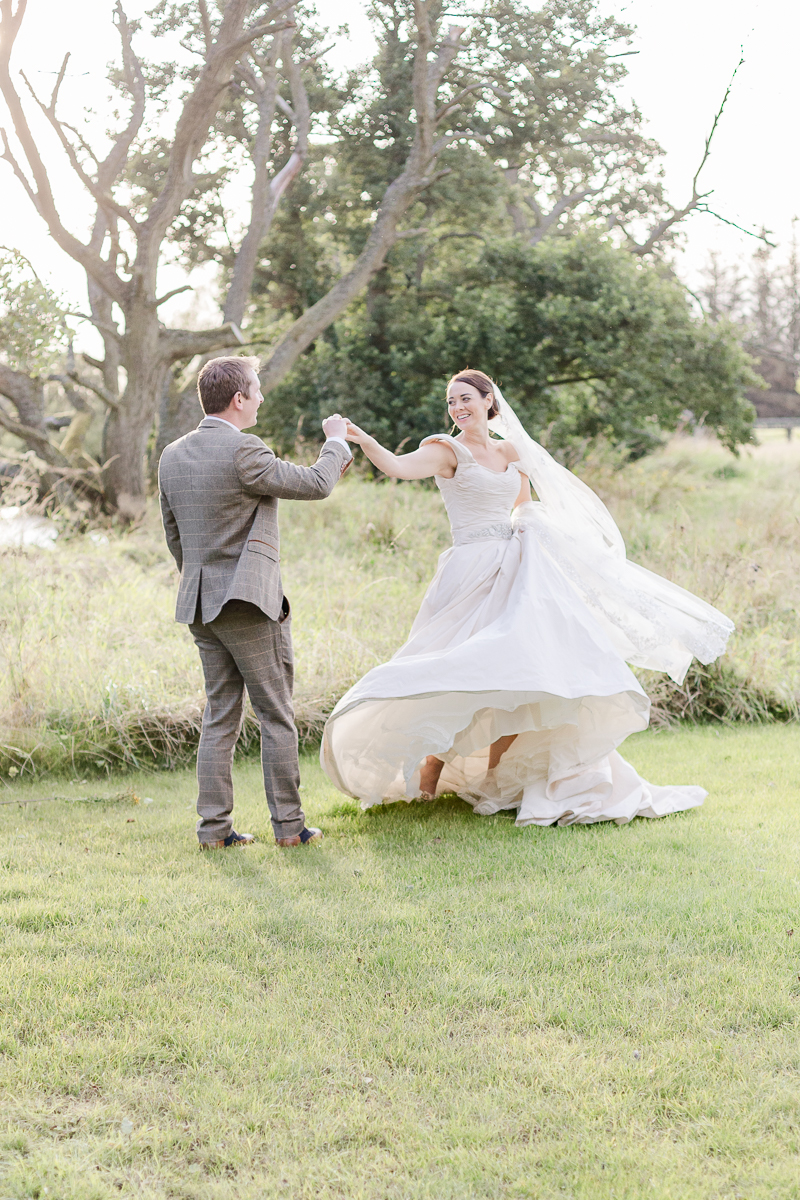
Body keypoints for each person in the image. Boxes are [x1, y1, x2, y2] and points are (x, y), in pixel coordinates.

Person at [321, 369, 734, 826]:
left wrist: (534, 536)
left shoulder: (512, 452)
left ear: (488, 400)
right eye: (451, 401)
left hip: (515, 572)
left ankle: (494, 778)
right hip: (469, 571)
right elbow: (398, 468)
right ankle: (432, 765)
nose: (458, 407)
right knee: (455, 668)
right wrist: (361, 439)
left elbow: (521, 506)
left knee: (519, 673)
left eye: (465, 399)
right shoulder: (445, 448)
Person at [159, 355, 352, 850]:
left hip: (200, 603)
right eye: (258, 390)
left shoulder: (172, 455)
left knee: (219, 715)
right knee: (276, 714)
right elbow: (316, 483)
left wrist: (203, 580)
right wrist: (335, 441)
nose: (262, 398)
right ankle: (290, 828)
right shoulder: (244, 451)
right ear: (239, 398)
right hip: (247, 603)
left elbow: (174, 536)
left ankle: (213, 831)